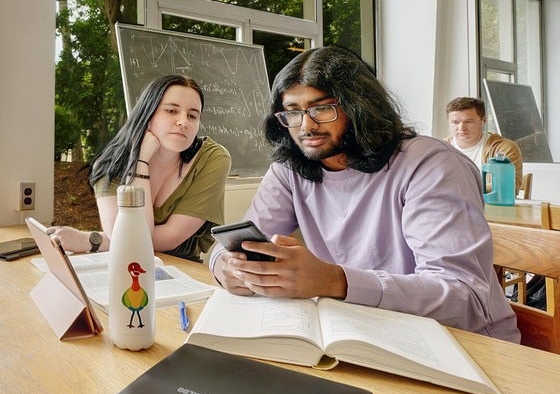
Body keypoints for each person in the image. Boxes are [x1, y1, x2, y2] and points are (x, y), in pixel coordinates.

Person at [209, 46, 519, 342]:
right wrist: (227, 267)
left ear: (360, 106)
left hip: (465, 346)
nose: (306, 126)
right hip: (362, 331)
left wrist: (335, 281)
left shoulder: (429, 164)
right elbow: (234, 246)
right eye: (292, 113)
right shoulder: (290, 170)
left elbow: (463, 297)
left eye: (323, 108)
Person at [50, 74, 231, 262]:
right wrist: (141, 160)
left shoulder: (213, 159)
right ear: (148, 113)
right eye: (171, 111)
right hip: (123, 262)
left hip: (180, 269)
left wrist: (91, 240)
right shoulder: (112, 162)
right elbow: (126, 239)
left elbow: (152, 239)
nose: (183, 121)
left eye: (192, 115)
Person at [444, 96, 523, 192]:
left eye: (468, 122)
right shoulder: (438, 148)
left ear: (483, 121)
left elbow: (508, 189)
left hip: (489, 206)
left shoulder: (504, 148)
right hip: (447, 206)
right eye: (455, 122)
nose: (461, 128)